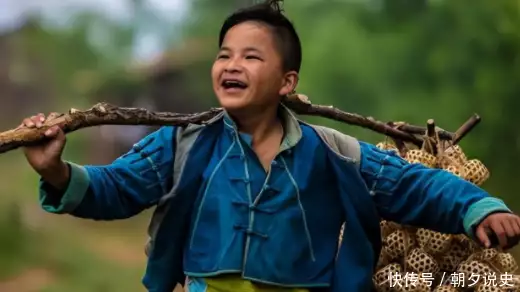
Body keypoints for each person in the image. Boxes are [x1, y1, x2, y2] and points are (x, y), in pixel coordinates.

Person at [20, 1, 520, 292]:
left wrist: (479, 206)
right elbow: (116, 188)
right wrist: (57, 172)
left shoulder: (332, 152)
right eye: (224, 55)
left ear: (287, 82)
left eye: (251, 56)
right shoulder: (186, 144)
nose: (231, 65)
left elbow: (411, 184)